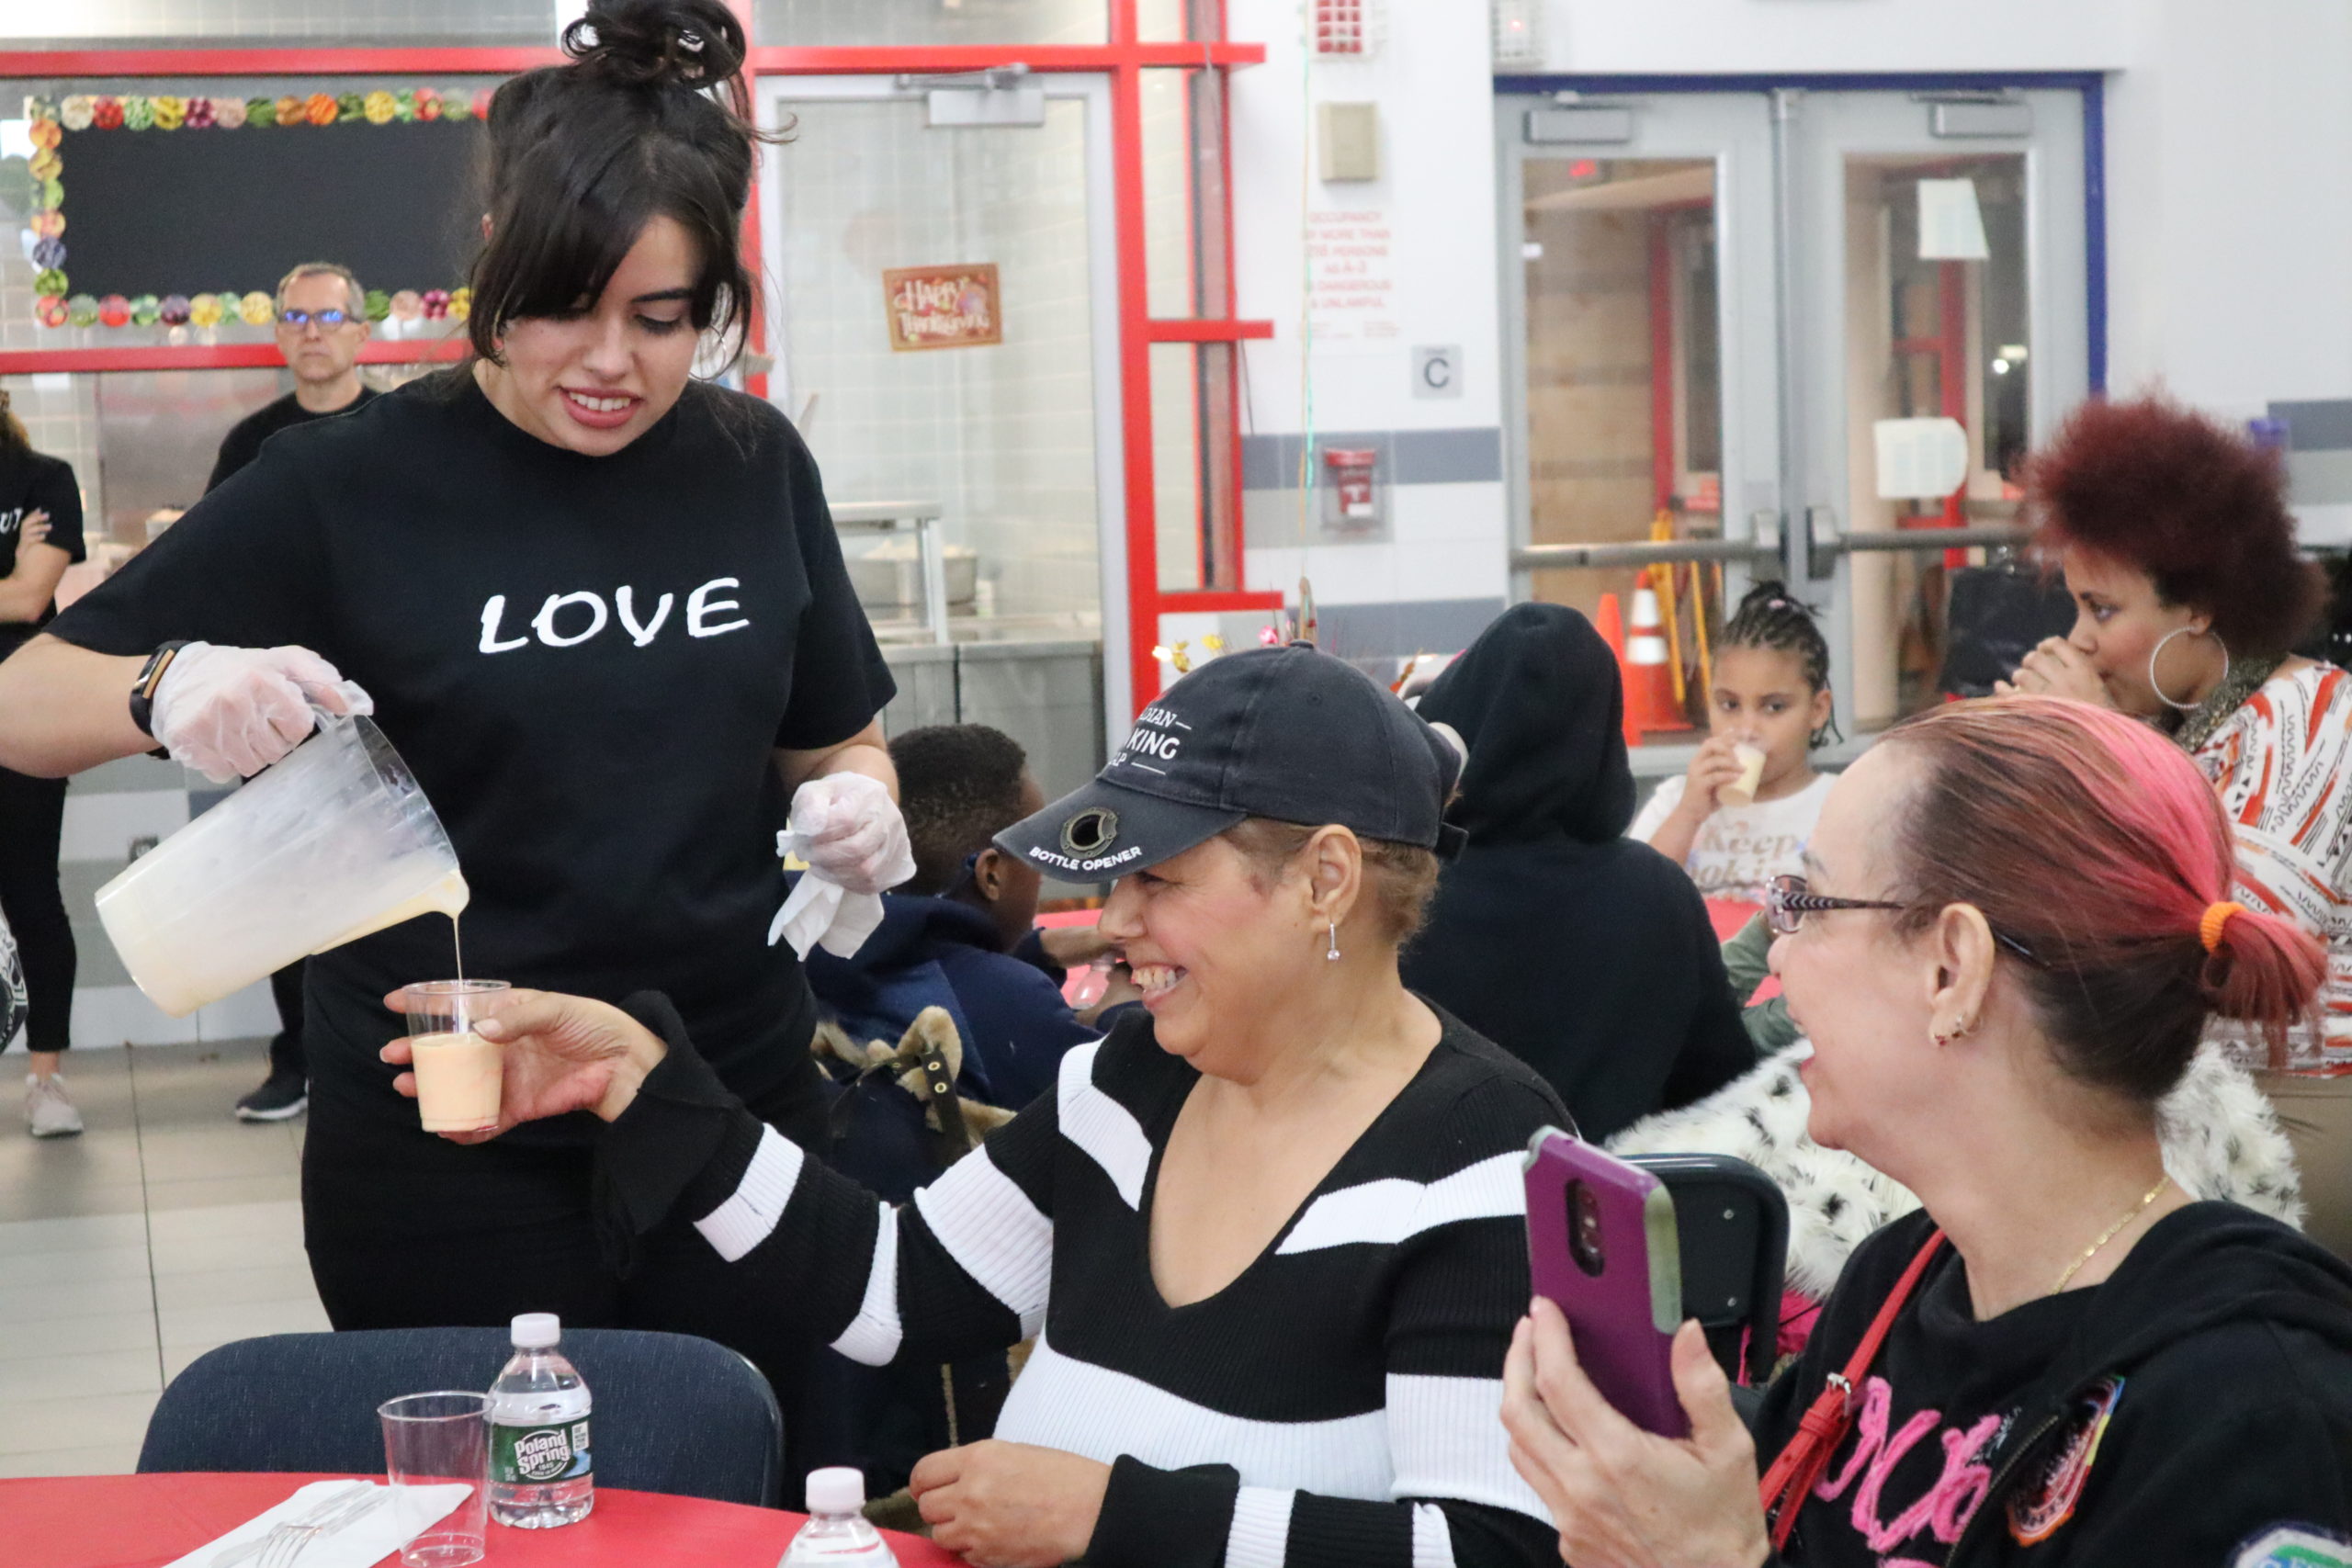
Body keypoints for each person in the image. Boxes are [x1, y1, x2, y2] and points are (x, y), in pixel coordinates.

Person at [0, 0, 906, 1364]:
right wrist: (166, 684)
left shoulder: (752, 462)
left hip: (726, 1102)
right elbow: (21, 700)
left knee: (755, 1482)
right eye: (563, 308)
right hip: (452, 1129)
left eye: (662, 319)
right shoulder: (349, 479)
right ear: (493, 266)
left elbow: (842, 740)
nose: (611, 362)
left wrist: (860, 807)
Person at [385, 644, 1566, 1568]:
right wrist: (640, 1083)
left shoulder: (1480, 1162)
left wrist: (1113, 1515)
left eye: (1159, 880)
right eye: (1113, 881)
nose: (1111, 923)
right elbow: (890, 1289)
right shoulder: (1128, 1078)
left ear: (1325, 879)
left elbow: (1489, 1550)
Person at [1502, 695, 2352, 1567]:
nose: (1780, 955)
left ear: (1954, 968)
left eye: (1807, 903)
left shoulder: (2251, 1414)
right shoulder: (1895, 1281)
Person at [1998, 394, 2352, 1252]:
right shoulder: (2183, 726)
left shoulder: (2310, 717)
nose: (2077, 640)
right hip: (2177, 1092)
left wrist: (2097, 755)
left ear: (2196, 606)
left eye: (2103, 610)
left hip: (2297, 1101)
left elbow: (2234, 951)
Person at [1402, 603, 1753, 1141]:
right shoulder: (1654, 894)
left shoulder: (1404, 893)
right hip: (1614, 1209)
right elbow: (1722, 1090)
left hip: (1437, 1208)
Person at [207, 262, 382, 1125]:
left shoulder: (402, 431)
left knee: (388, 883)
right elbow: (215, 563)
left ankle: (392, 1052)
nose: (312, 329)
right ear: (279, 333)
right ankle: (300, 1060)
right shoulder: (253, 446)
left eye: (329, 315)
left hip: (393, 703)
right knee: (289, 888)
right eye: (295, 315)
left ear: (361, 330)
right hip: (279, 710)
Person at [806, 724, 1099, 1111]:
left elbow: (940, 972)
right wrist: (1121, 1006)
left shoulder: (821, 955)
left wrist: (1039, 950)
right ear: (992, 874)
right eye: (1034, 858)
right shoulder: (1006, 998)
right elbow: (1111, 1100)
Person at [1632, 582, 1838, 904]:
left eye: (1774, 707)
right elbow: (1630, 901)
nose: (1746, 730)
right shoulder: (1675, 800)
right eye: (1729, 705)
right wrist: (1688, 814)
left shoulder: (1840, 804)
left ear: (1817, 710)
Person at [0, 392, 85, 1137]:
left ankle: (46, 1080)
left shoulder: (44, 477)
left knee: (31, 894)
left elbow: (30, 598)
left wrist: (16, 587)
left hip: (22, 710)